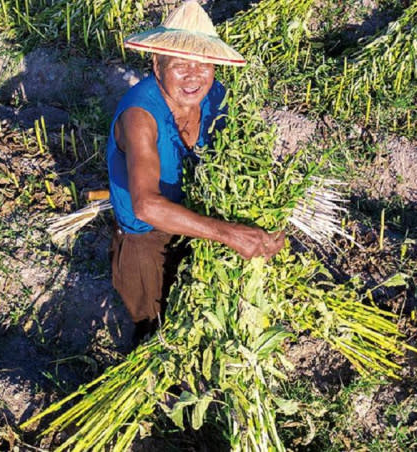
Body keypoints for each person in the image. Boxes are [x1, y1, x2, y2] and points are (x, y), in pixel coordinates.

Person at [107, 1, 285, 344]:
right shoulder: (140, 116)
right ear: (157, 64)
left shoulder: (215, 96)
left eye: (203, 64)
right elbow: (147, 206)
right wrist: (229, 233)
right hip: (147, 234)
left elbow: (237, 153)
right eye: (180, 65)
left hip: (194, 213)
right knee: (154, 330)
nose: (193, 76)